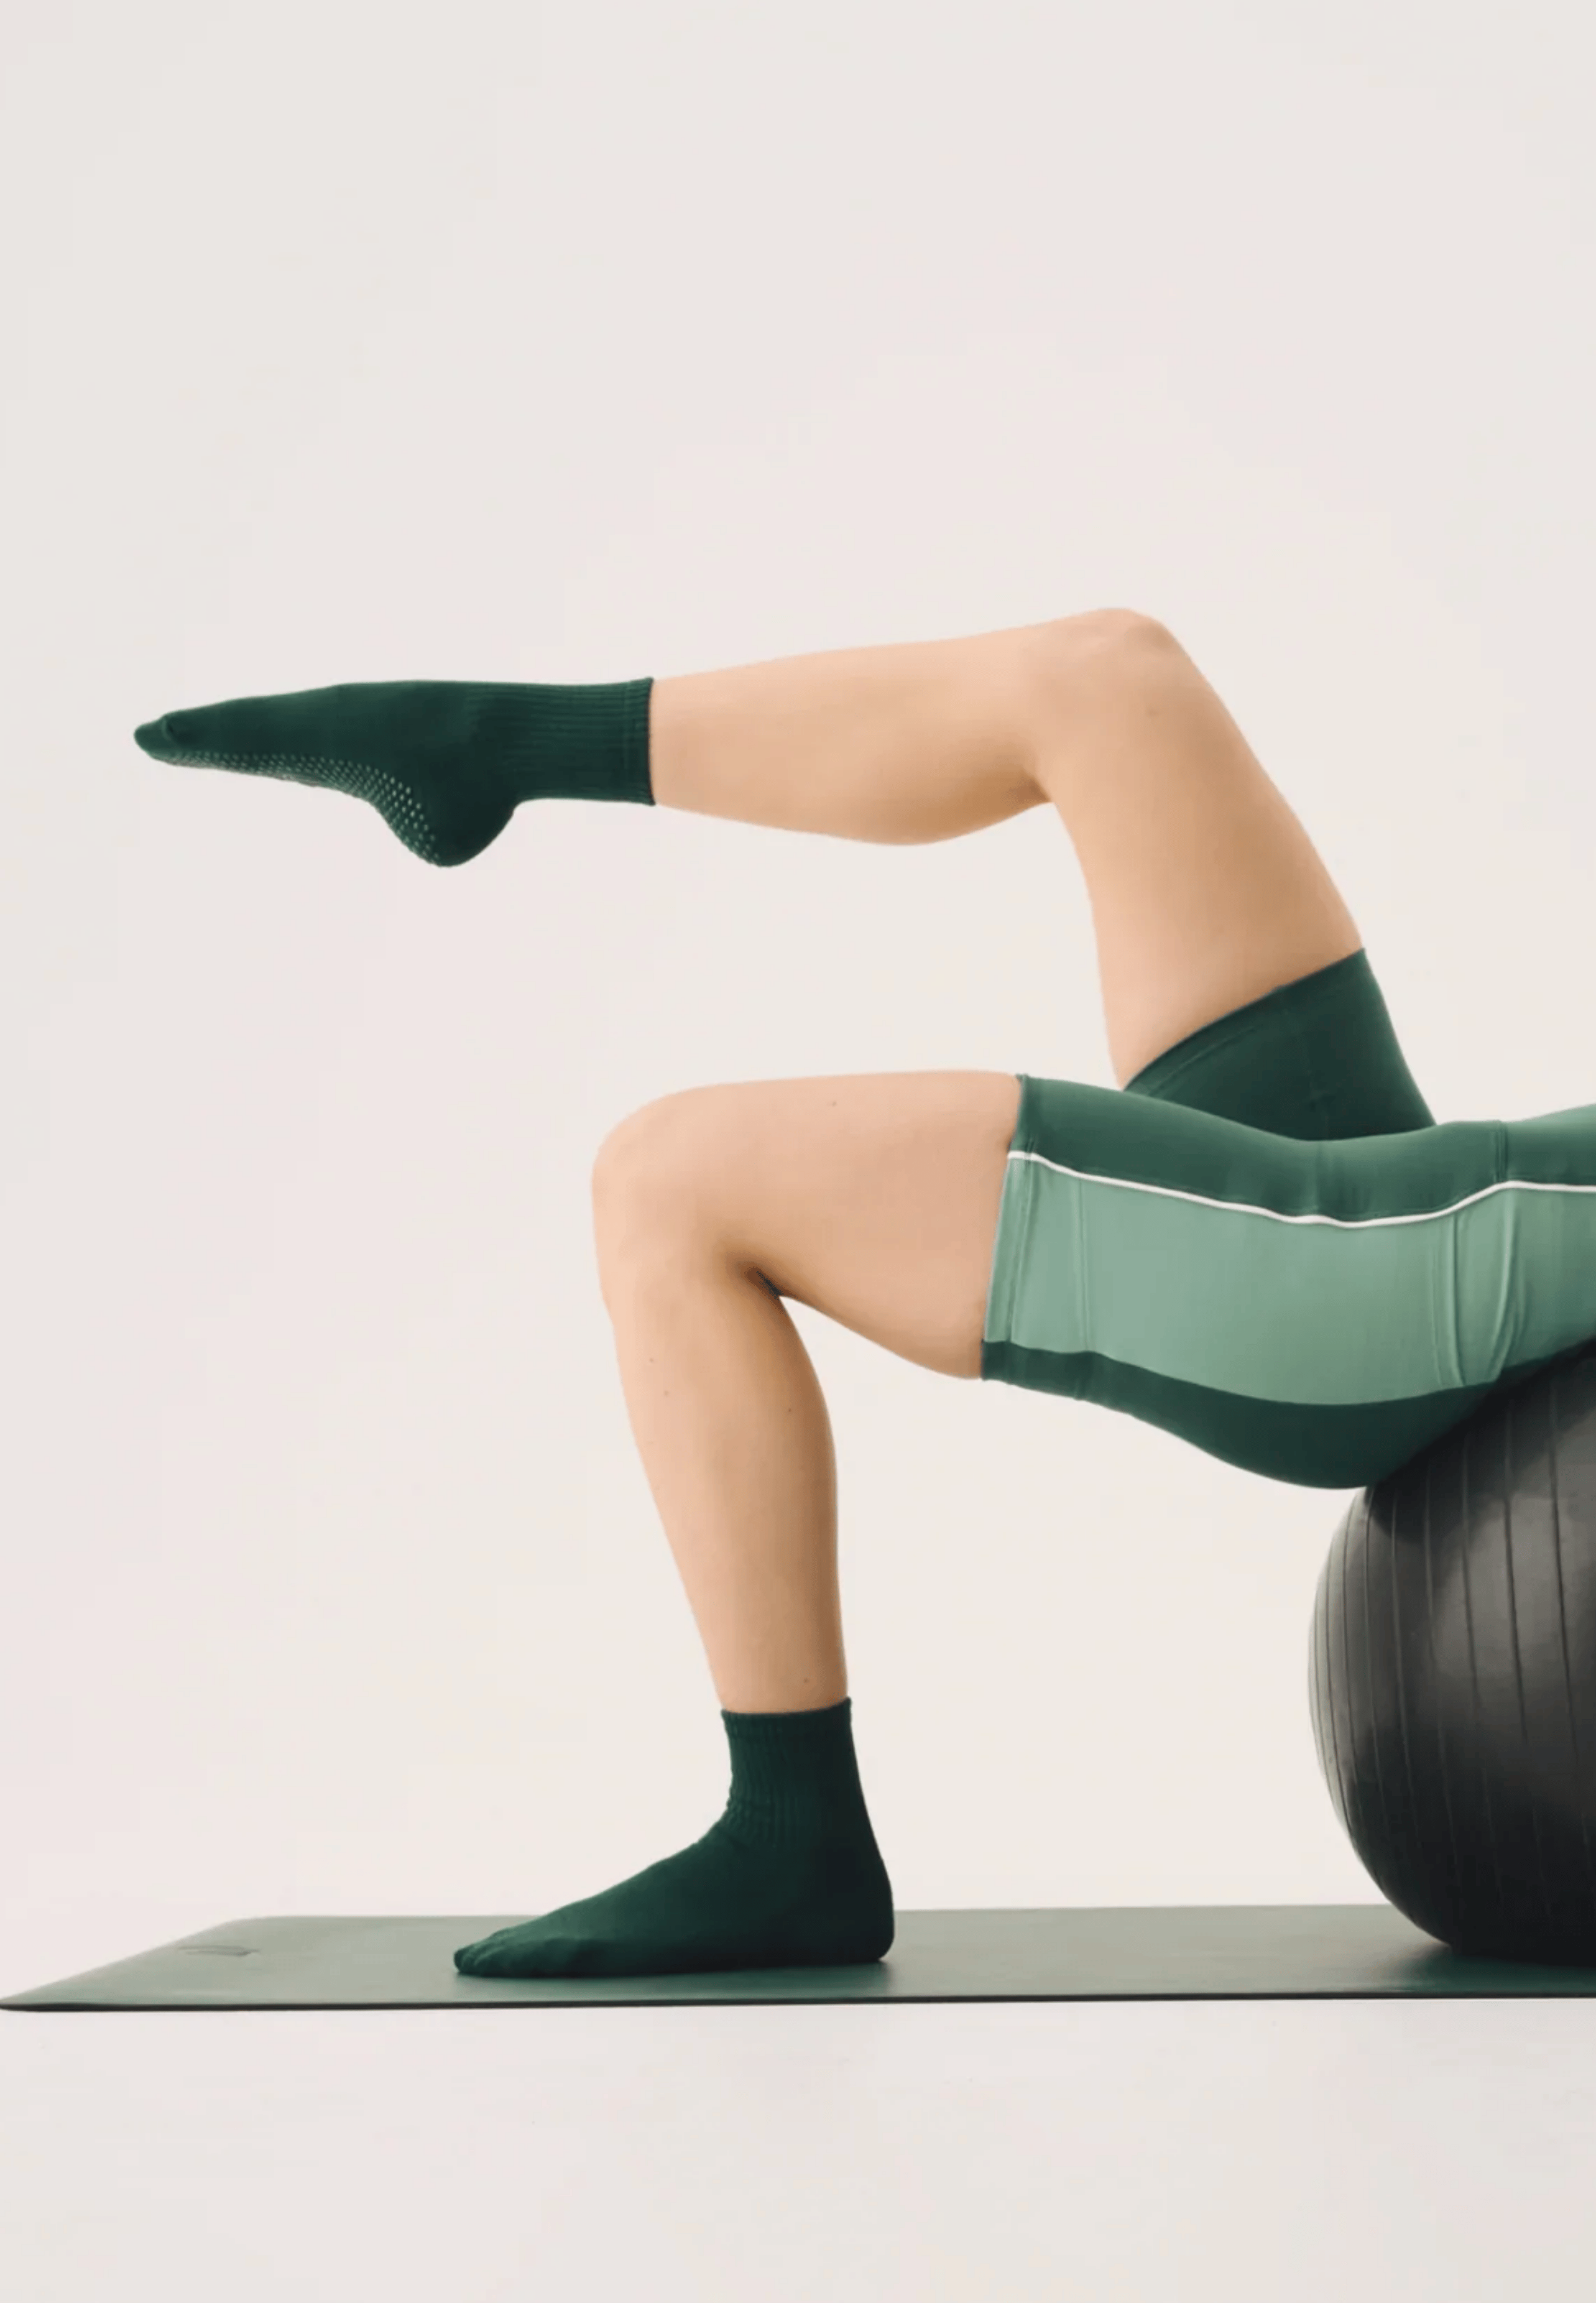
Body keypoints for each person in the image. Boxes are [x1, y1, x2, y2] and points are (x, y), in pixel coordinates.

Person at [134, 607, 1596, 1978]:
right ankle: (502, 743)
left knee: (672, 1180)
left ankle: (791, 1838)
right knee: (1103, 677)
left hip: (1377, 1295)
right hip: (1472, 1239)